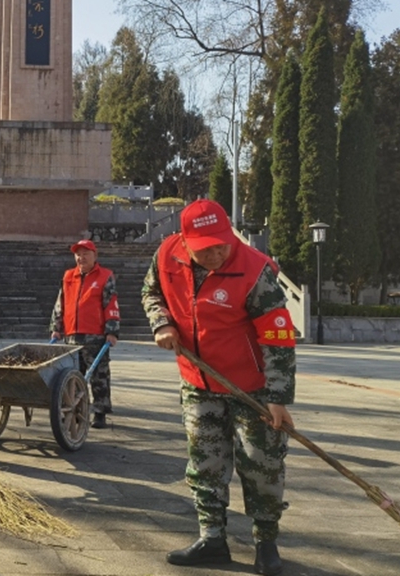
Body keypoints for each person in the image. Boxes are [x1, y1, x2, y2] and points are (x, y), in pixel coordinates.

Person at [141, 199, 295, 576]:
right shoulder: (166, 256)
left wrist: (277, 398)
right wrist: (162, 323)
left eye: (222, 244)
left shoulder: (255, 272)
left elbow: (278, 337)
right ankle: (212, 538)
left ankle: (266, 543)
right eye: (205, 247)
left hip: (252, 387)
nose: (216, 253)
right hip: (198, 381)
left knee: (262, 466)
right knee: (206, 464)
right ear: (185, 241)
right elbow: (151, 293)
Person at [50, 239, 120, 429]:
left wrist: (112, 331)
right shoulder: (68, 276)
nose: (81, 258)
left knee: (99, 375)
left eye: (85, 254)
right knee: (71, 375)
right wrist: (56, 328)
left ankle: (100, 412)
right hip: (71, 335)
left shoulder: (105, 276)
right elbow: (60, 304)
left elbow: (111, 304)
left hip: (96, 336)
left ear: (94, 256)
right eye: (78, 254)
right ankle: (74, 410)